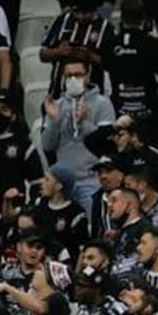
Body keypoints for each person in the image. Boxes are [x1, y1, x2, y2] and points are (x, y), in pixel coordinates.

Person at [41, 60, 117, 210]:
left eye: (78, 75)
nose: (73, 79)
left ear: (87, 75)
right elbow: (47, 146)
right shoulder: (57, 105)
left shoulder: (103, 104)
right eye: (68, 75)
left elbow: (106, 144)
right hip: (63, 184)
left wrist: (84, 124)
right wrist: (55, 121)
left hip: (91, 181)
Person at [102, 0, 158, 151]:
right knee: (154, 159)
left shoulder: (111, 43)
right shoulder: (152, 43)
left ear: (122, 17)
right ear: (143, 18)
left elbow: (104, 65)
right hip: (149, 115)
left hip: (121, 114)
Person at [31, 164, 89, 261]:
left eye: (47, 179)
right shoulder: (39, 203)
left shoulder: (76, 213)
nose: (42, 183)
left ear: (58, 186)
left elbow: (82, 251)